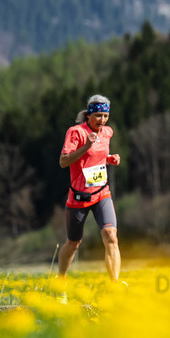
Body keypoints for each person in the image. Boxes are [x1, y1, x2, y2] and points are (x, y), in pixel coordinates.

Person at [56, 95, 124, 293]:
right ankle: (60, 281)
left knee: (111, 235)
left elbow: (98, 156)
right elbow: (63, 162)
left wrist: (110, 159)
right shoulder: (76, 132)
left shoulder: (108, 132)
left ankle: (114, 284)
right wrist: (86, 146)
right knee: (73, 243)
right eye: (98, 115)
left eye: (106, 116)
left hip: (101, 193)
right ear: (88, 115)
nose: (102, 120)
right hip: (79, 197)